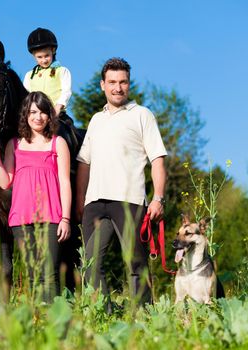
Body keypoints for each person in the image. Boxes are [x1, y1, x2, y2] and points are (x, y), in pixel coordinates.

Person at [76, 58, 167, 308]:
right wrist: (80, 201)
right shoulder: (96, 120)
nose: (118, 87)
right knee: (90, 264)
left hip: (130, 201)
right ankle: (103, 314)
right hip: (95, 202)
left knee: (136, 264)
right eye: (112, 82)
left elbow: (158, 159)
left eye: (123, 82)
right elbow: (84, 163)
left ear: (129, 84)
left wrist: (158, 198)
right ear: (102, 85)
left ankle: (143, 318)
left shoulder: (142, 115)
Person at [0, 91, 71, 301]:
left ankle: (53, 322)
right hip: (21, 219)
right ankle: (38, 322)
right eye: (33, 112)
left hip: (52, 218)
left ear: (49, 116)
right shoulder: (14, 145)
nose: (38, 117)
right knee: (34, 276)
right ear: (25, 114)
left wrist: (66, 218)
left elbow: (65, 182)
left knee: (50, 274)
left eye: (43, 112)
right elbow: (5, 181)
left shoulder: (58, 143)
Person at [24, 28, 72, 117]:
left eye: (47, 56)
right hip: (36, 116)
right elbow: (26, 97)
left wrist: (57, 108)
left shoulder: (62, 71)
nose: (44, 60)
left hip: (57, 115)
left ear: (53, 51)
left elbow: (66, 91)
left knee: (68, 130)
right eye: (39, 57)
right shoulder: (29, 75)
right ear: (33, 56)